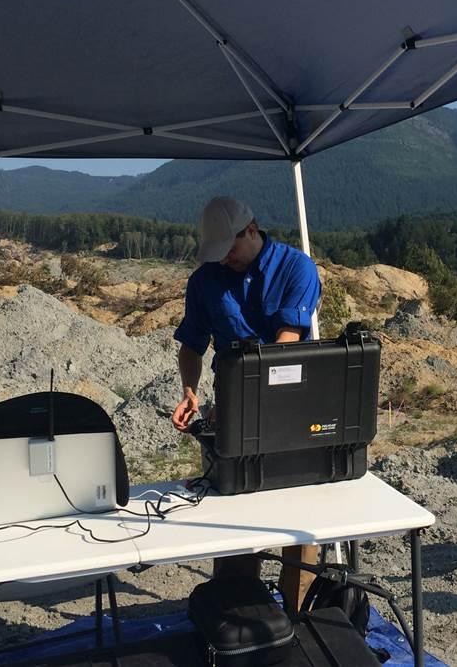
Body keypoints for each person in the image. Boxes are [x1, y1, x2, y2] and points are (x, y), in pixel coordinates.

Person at [170, 196, 322, 609]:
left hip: (291, 405)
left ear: (251, 231)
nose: (224, 261)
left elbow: (285, 347)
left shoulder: (296, 268)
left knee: (299, 522)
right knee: (234, 518)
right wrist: (190, 390)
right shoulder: (205, 280)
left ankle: (298, 616)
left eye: (229, 250)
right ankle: (237, 619)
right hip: (231, 408)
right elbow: (192, 344)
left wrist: (247, 402)